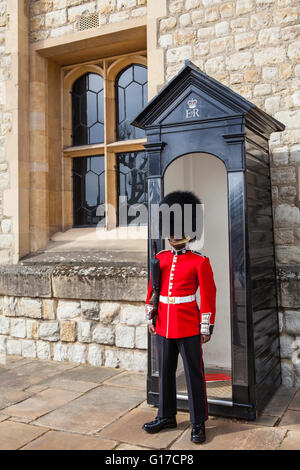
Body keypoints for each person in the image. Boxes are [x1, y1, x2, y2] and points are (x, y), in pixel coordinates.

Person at [142, 190, 217, 444]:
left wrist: (205, 326)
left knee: (194, 373)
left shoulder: (200, 262)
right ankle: (166, 415)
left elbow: (208, 296)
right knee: (164, 371)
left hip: (188, 325)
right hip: (163, 323)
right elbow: (152, 292)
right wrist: (150, 317)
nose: (174, 234)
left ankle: (198, 422)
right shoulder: (160, 259)